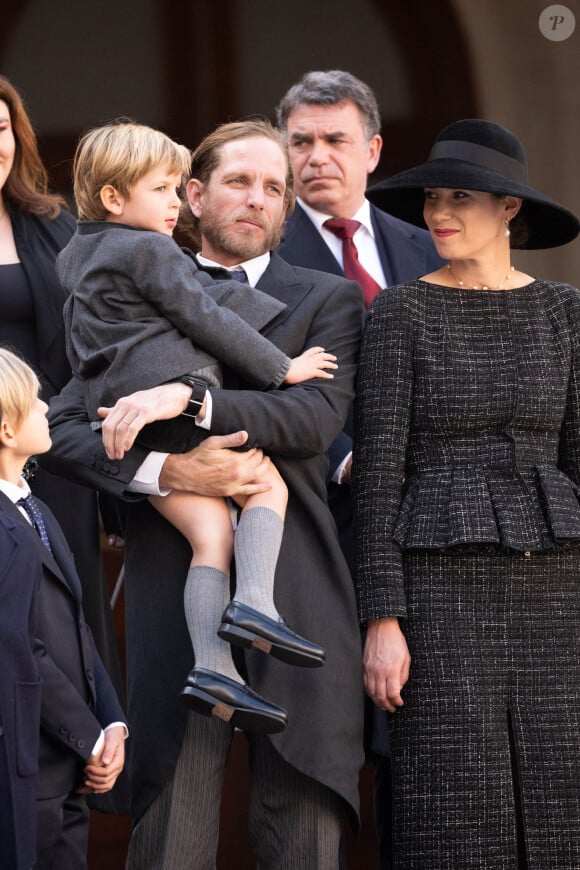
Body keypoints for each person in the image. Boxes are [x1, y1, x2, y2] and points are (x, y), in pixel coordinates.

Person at [47, 118, 365, 868]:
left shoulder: (327, 299)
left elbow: (311, 420)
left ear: (287, 210)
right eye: (237, 181)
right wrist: (164, 472)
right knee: (170, 846)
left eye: (274, 188)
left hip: (301, 606)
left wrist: (189, 407)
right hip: (169, 603)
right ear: (192, 194)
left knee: (303, 849)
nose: (257, 199)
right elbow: (58, 427)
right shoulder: (123, 280)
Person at [353, 118, 580, 869]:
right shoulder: (400, 312)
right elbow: (380, 474)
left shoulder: (565, 312)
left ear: (509, 209)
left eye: (460, 197)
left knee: (559, 799)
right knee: (447, 801)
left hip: (555, 589)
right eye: (429, 199)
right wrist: (382, 621)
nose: (437, 213)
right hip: (440, 592)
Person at [276, 69, 444, 866]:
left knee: (431, 749)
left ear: (372, 149)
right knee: (334, 753)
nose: (316, 158)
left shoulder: (424, 243)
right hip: (324, 524)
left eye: (335, 140)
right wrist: (346, 462)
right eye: (300, 141)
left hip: (436, 531)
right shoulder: (263, 246)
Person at [0, 75, 122, 692]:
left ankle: (84, 774)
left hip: (52, 461)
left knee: (64, 626)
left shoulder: (56, 228)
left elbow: (99, 349)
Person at [0, 347, 127, 870]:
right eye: (35, 403)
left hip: (71, 768)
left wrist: (112, 723)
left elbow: (76, 628)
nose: (49, 409)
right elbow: (17, 648)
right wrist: (90, 736)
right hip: (25, 774)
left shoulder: (38, 510)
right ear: (7, 429)